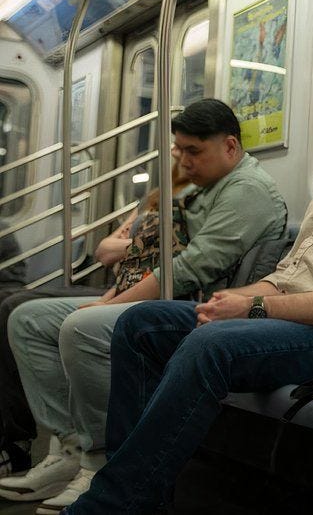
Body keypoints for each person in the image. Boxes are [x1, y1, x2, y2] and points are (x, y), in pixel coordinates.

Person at [67, 46, 313, 514]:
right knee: (142, 323)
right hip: (285, 318)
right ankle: (142, 497)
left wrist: (251, 308)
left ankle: (110, 506)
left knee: (211, 346)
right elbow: (290, 276)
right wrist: (236, 298)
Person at [0, 99, 286, 513]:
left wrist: (107, 301)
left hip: (201, 305)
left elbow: (187, 269)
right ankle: (70, 448)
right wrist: (111, 290)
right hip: (155, 291)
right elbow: (116, 243)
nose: (182, 161)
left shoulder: (248, 192)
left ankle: (99, 460)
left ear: (229, 146)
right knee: (26, 319)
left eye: (193, 152)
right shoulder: (190, 183)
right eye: (179, 150)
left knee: (80, 326)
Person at [0, 161, 189, 482]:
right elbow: (104, 250)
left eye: (188, 149)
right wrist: (146, 245)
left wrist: (135, 249)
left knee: (21, 307)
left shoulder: (192, 201)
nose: (178, 155)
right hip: (119, 285)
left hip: (140, 290)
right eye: (176, 148)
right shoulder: (154, 199)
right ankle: (58, 445)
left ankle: (71, 453)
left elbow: (175, 255)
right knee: (14, 309)